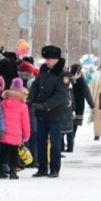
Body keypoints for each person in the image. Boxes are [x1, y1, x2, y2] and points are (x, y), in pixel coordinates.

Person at [28, 45, 70, 178]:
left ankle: (54, 168)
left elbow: (61, 95)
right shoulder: (44, 70)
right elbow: (35, 86)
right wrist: (30, 100)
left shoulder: (63, 74)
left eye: (50, 59)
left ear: (57, 59)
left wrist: (46, 105)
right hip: (41, 112)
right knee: (41, 141)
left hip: (55, 112)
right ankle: (42, 167)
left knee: (55, 142)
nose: (47, 61)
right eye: (46, 58)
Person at [0, 78, 30, 180]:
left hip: (4, 132)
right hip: (16, 134)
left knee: (3, 152)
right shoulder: (23, 106)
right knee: (14, 153)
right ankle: (13, 172)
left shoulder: (3, 103)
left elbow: (0, 116)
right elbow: (25, 122)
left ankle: (0, 170)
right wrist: (26, 135)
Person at [65, 64, 93, 152]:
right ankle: (71, 141)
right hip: (78, 104)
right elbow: (87, 92)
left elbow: (86, 92)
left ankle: (69, 142)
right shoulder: (75, 80)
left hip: (70, 104)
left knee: (70, 124)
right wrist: (91, 104)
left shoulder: (68, 79)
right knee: (74, 125)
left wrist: (91, 104)